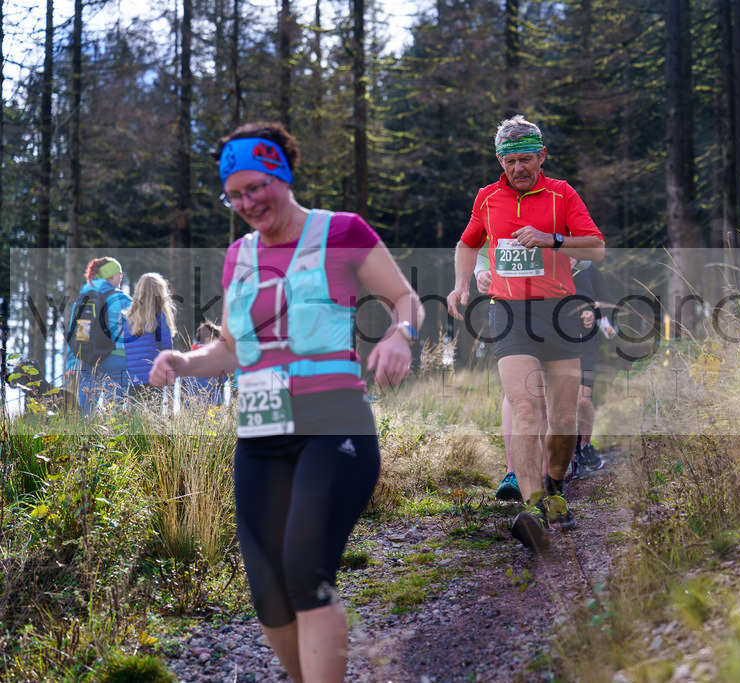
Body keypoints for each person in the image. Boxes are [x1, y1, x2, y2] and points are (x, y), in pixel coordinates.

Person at [149, 121, 423, 683]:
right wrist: (182, 362)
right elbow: (228, 349)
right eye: (235, 195)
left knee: (305, 571)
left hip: (334, 425)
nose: (248, 203)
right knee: (268, 590)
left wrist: (400, 335)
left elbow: (404, 298)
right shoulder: (239, 256)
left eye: (256, 188)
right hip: (260, 436)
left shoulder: (341, 231)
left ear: (282, 174)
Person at [447, 114, 605, 552]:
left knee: (564, 419)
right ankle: (533, 506)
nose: (519, 168)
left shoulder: (561, 194)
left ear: (542, 156)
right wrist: (461, 284)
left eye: (527, 159)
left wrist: (552, 239)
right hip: (509, 313)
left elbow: (596, 247)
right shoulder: (487, 197)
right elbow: (468, 242)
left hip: (559, 315)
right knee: (525, 406)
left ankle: (554, 487)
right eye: (511, 160)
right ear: (501, 159)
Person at [65, 257, 132, 413]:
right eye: (120, 273)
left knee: (86, 414)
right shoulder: (123, 299)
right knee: (114, 414)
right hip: (116, 358)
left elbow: (74, 333)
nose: (121, 277)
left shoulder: (82, 299)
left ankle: (84, 434)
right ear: (114, 275)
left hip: (87, 358)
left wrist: (71, 363)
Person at [571, 260, 616, 474]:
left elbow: (607, 303)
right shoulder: (546, 267)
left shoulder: (589, 270)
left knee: (581, 400)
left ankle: (585, 447)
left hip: (586, 343)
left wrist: (593, 312)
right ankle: (564, 452)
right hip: (553, 343)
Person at [122, 272, 177, 401]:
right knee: (152, 414)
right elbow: (166, 346)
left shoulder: (129, 318)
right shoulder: (159, 317)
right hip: (154, 373)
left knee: (136, 415)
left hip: (133, 375)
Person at [180, 320, 226, 405]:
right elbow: (222, 378)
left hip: (191, 402)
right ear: (208, 340)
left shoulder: (189, 357)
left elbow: (184, 382)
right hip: (211, 401)